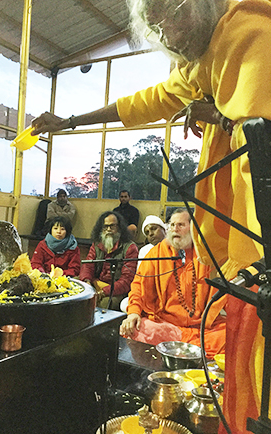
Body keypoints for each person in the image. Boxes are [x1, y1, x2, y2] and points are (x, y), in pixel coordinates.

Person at [31, 1, 271, 431]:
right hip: (244, 260)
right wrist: (67, 121)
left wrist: (217, 115)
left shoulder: (251, 33)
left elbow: (263, 137)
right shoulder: (202, 64)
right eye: (155, 28)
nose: (168, 35)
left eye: (170, 16)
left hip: (261, 247)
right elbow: (144, 102)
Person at [120, 209, 227, 359]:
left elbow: (226, 289)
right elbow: (139, 286)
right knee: (139, 328)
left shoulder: (206, 255)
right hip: (166, 325)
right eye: (172, 225)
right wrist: (133, 313)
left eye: (181, 225)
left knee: (233, 333)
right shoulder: (157, 254)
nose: (175, 229)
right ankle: (191, 352)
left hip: (202, 327)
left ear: (193, 229)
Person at [79, 211, 138, 310]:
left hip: (116, 290)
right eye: (105, 227)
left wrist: (104, 292)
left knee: (105, 304)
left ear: (119, 227)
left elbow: (127, 280)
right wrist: (87, 282)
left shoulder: (130, 247)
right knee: (74, 285)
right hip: (95, 284)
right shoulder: (97, 244)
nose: (109, 230)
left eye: (112, 226)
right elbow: (88, 265)